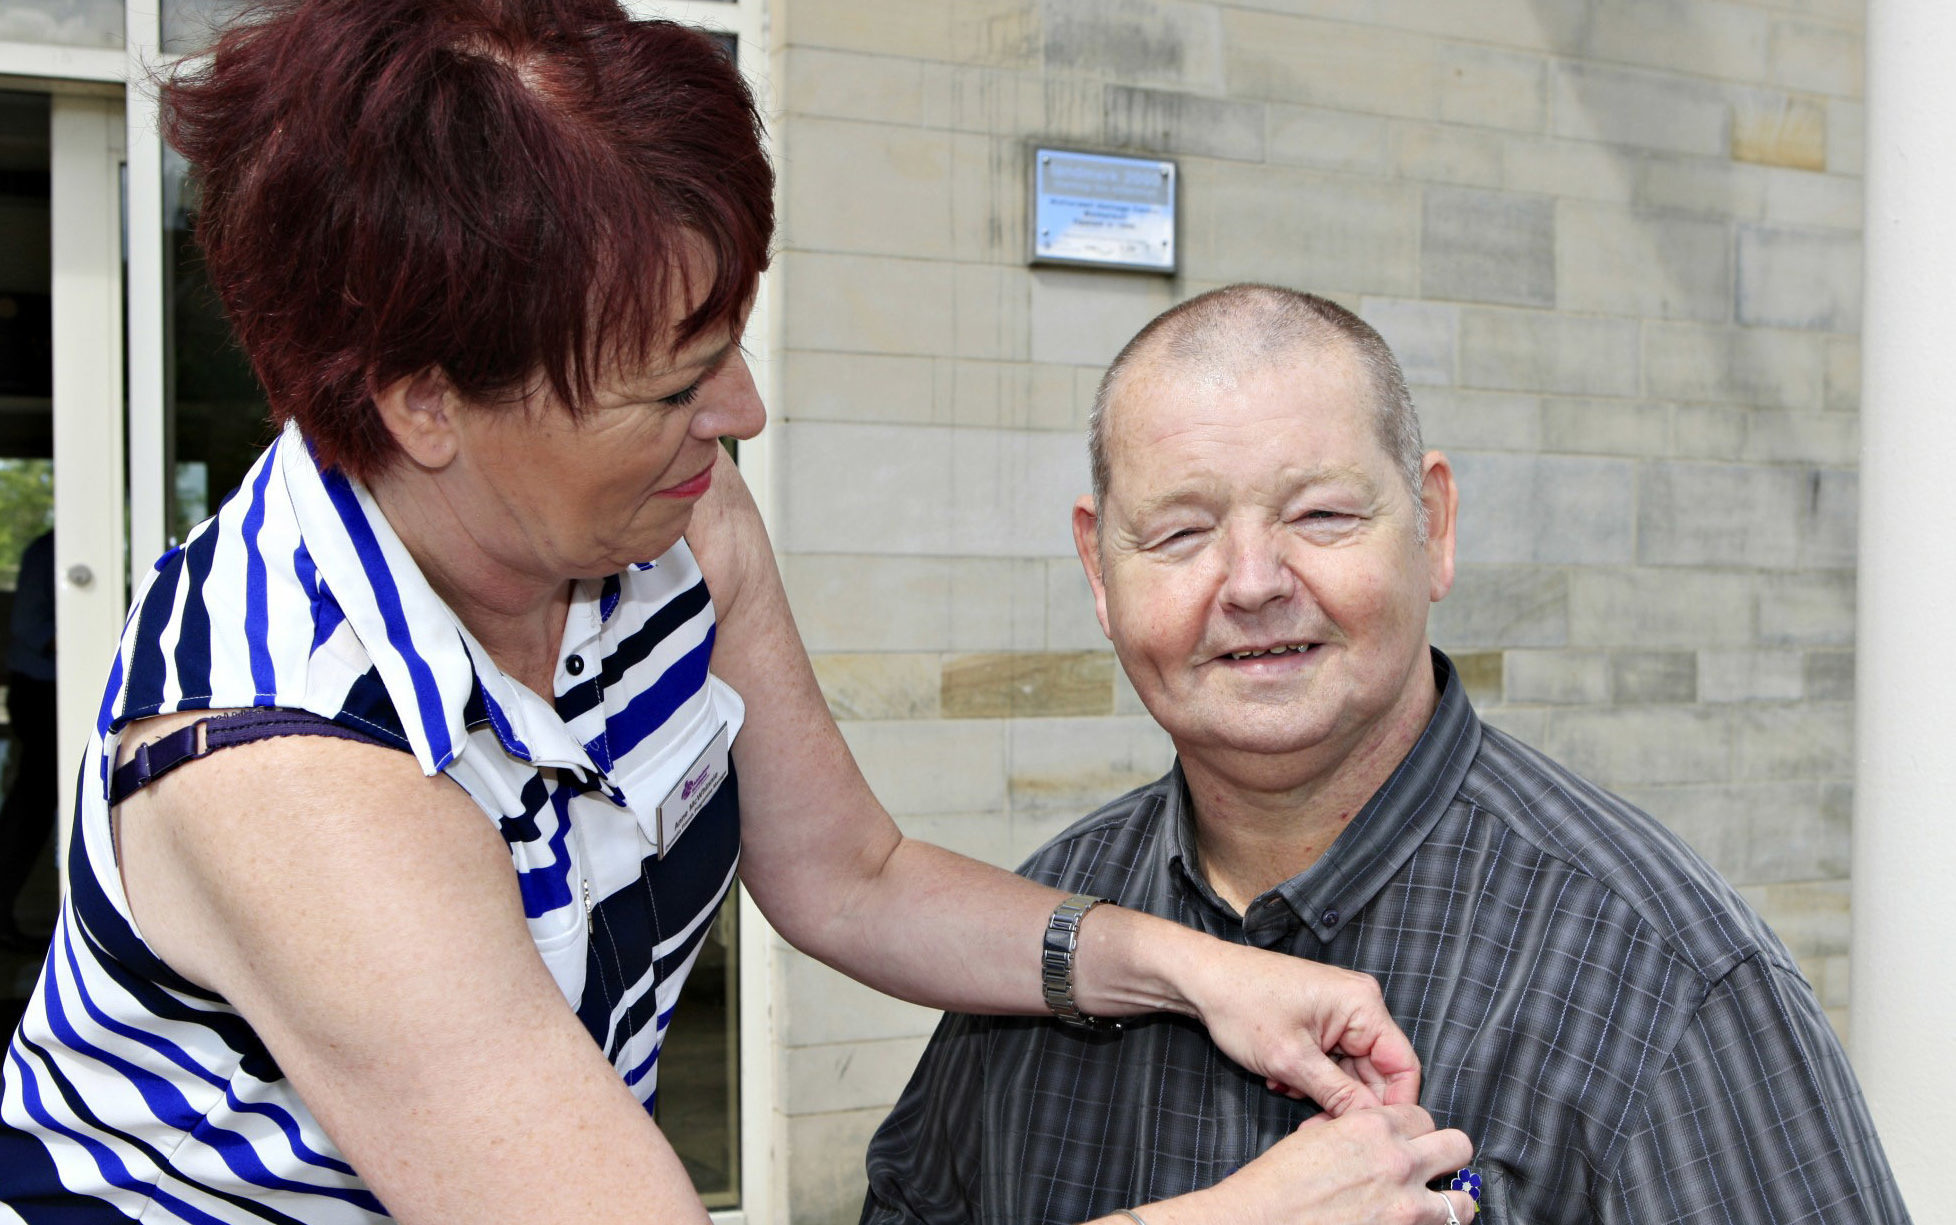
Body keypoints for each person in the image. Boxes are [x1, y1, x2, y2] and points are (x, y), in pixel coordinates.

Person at [0, 9, 1468, 1224]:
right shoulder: (289, 765)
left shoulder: (665, 511)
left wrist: (1195, 968)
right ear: (424, 401)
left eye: (726, 344)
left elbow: (855, 877)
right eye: (669, 382)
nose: (741, 413)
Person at [861, 285, 1909, 1225]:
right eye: (1181, 532)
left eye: (1320, 515)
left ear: (1435, 524)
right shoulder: (1043, 935)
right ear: (1098, 566)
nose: (1254, 581)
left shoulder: (1660, 977)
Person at [0, 528, 54, 952]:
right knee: (30, 806)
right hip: (40, 692)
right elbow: (30, 627)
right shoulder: (50, 550)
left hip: (51, 688)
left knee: (33, 805)